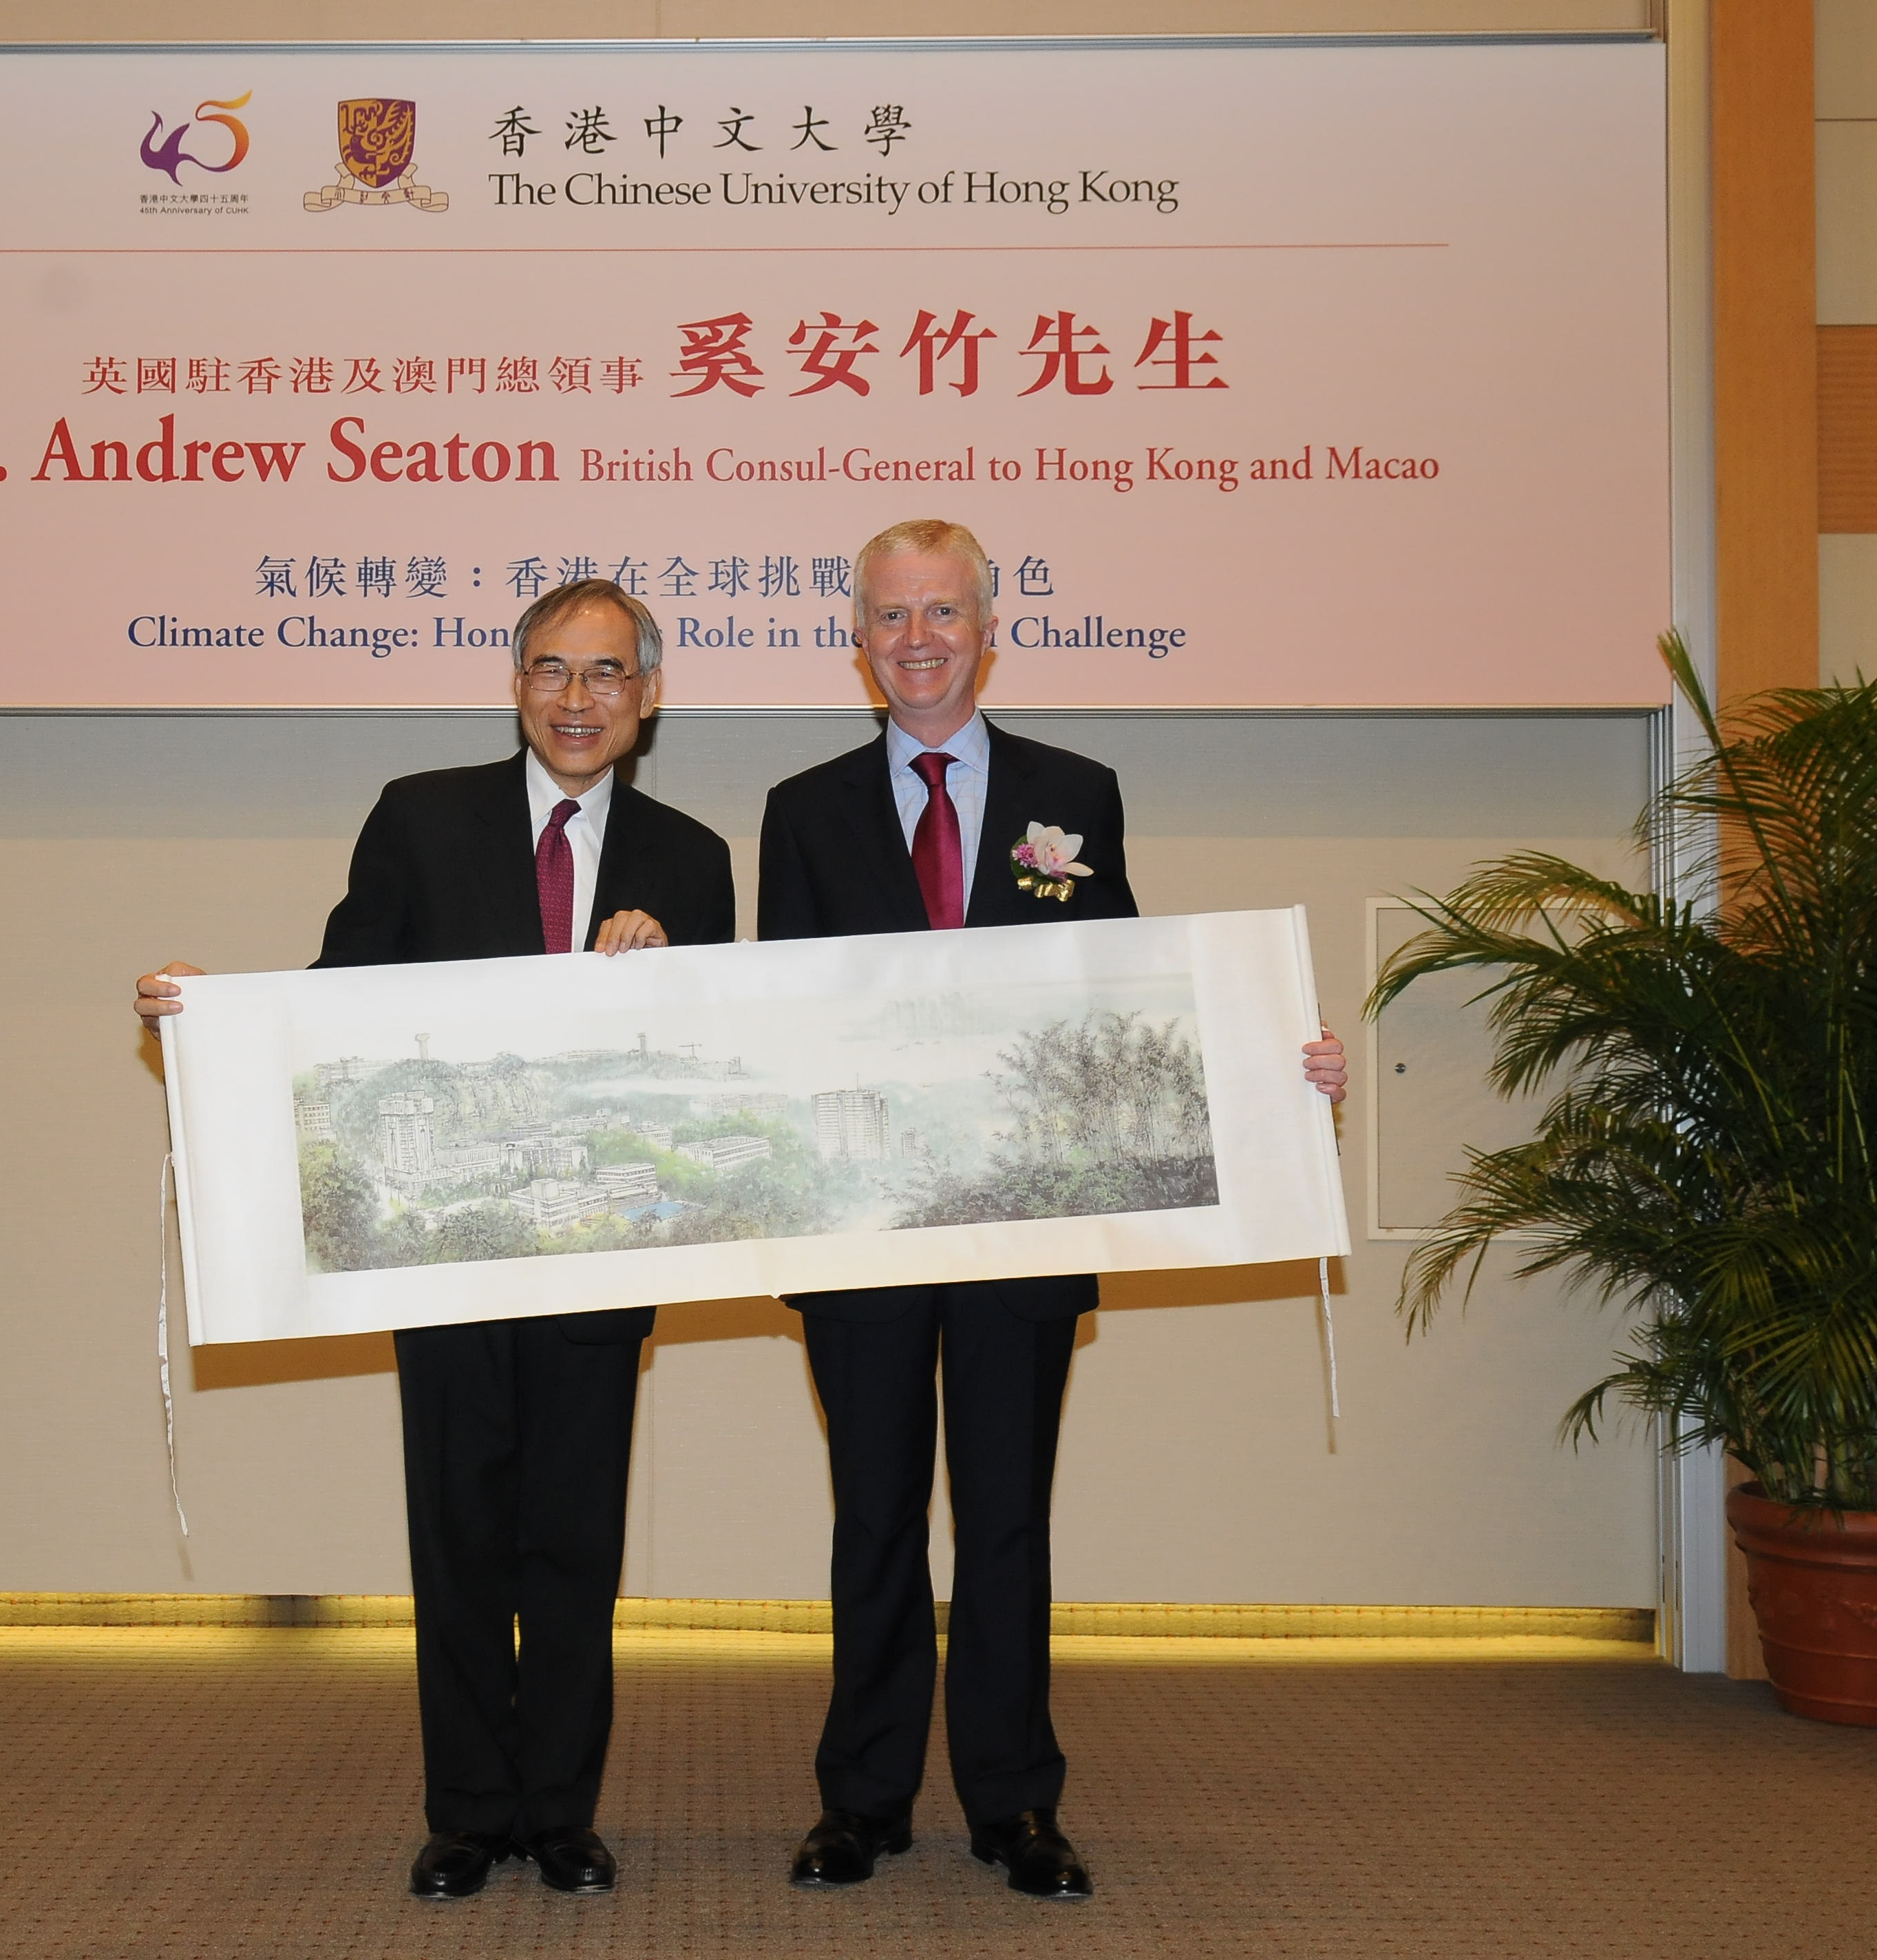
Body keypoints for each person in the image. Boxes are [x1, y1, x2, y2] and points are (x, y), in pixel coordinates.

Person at [758, 520, 1349, 1902]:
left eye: (941, 612)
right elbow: (778, 1014)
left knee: (1008, 1517)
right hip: (864, 1233)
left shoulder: (1071, 791)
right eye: (890, 615)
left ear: (987, 627)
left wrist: (1272, 1056)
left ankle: (1015, 1801)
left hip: (1028, 1228)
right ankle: (862, 1798)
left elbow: (1131, 994)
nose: (917, 638)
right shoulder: (803, 808)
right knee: (874, 1514)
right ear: (858, 638)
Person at [134, 579, 734, 1902]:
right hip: (446, 1248)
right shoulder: (420, 817)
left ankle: (563, 1812)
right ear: (515, 683)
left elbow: (716, 1061)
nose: (577, 701)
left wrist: (673, 968)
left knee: (576, 1541)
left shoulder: (690, 858)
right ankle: (468, 1810)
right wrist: (210, 1014)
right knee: (459, 1532)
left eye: (607, 676)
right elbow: (338, 1002)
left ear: (648, 700)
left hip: (601, 1258)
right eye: (551, 671)